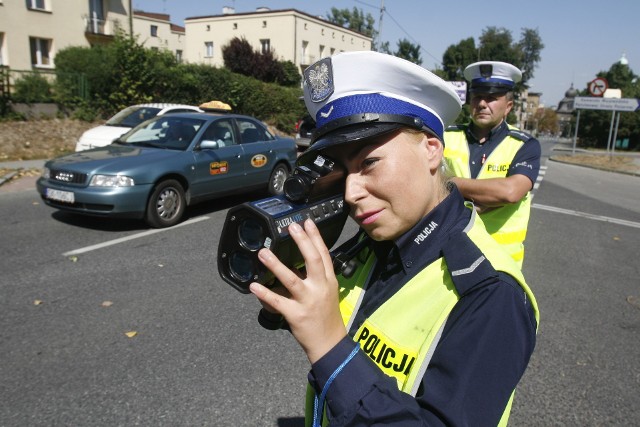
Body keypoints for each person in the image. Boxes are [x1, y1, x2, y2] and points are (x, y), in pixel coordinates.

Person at [248, 51, 539, 426]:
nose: (352, 192)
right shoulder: (376, 243)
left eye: (368, 162)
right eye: (344, 172)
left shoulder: (491, 295)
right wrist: (290, 304)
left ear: (432, 149)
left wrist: (330, 350)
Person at [444, 61, 541, 268]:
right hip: (446, 255)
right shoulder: (446, 136)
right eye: (478, 96)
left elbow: (510, 192)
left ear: (508, 106)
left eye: (491, 98)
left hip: (499, 265)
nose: (482, 103)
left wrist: (449, 183)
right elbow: (422, 182)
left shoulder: (524, 145)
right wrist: (485, 198)